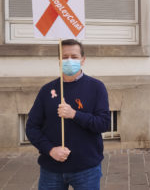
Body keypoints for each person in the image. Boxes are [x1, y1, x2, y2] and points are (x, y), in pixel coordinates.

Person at [26, 39, 110, 190]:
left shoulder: (96, 87)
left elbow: (103, 123)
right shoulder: (47, 90)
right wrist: (50, 150)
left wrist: (74, 114)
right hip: (51, 169)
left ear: (83, 60)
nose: (69, 60)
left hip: (87, 169)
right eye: (65, 57)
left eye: (74, 56)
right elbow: (32, 127)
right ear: (59, 60)